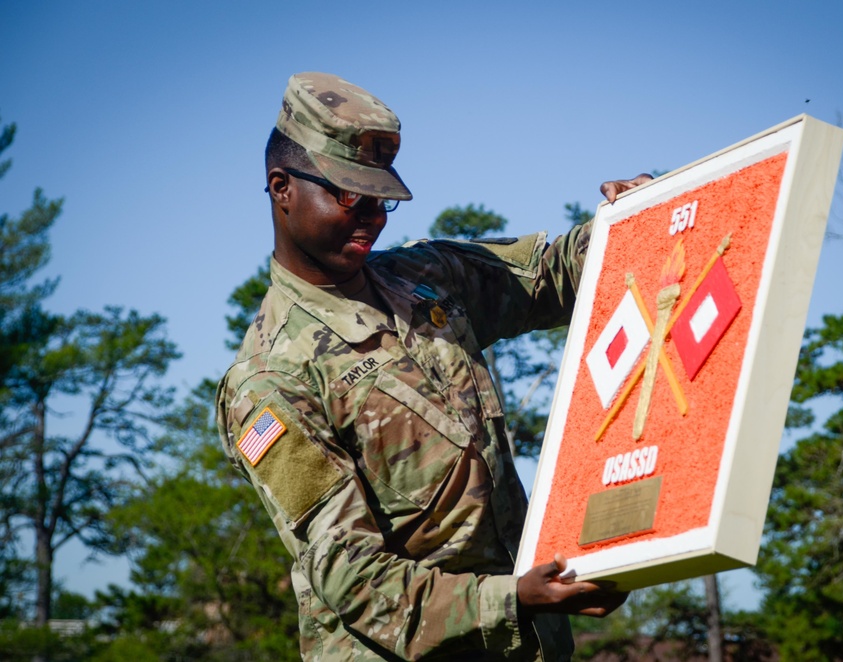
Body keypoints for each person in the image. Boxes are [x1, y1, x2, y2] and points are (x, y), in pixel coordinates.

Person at [216, 71, 651, 661]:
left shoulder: (426, 278)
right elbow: (353, 577)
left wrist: (640, 216)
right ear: (281, 187)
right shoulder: (268, 382)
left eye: (382, 198)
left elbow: (555, 276)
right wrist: (512, 601)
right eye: (349, 195)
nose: (373, 215)